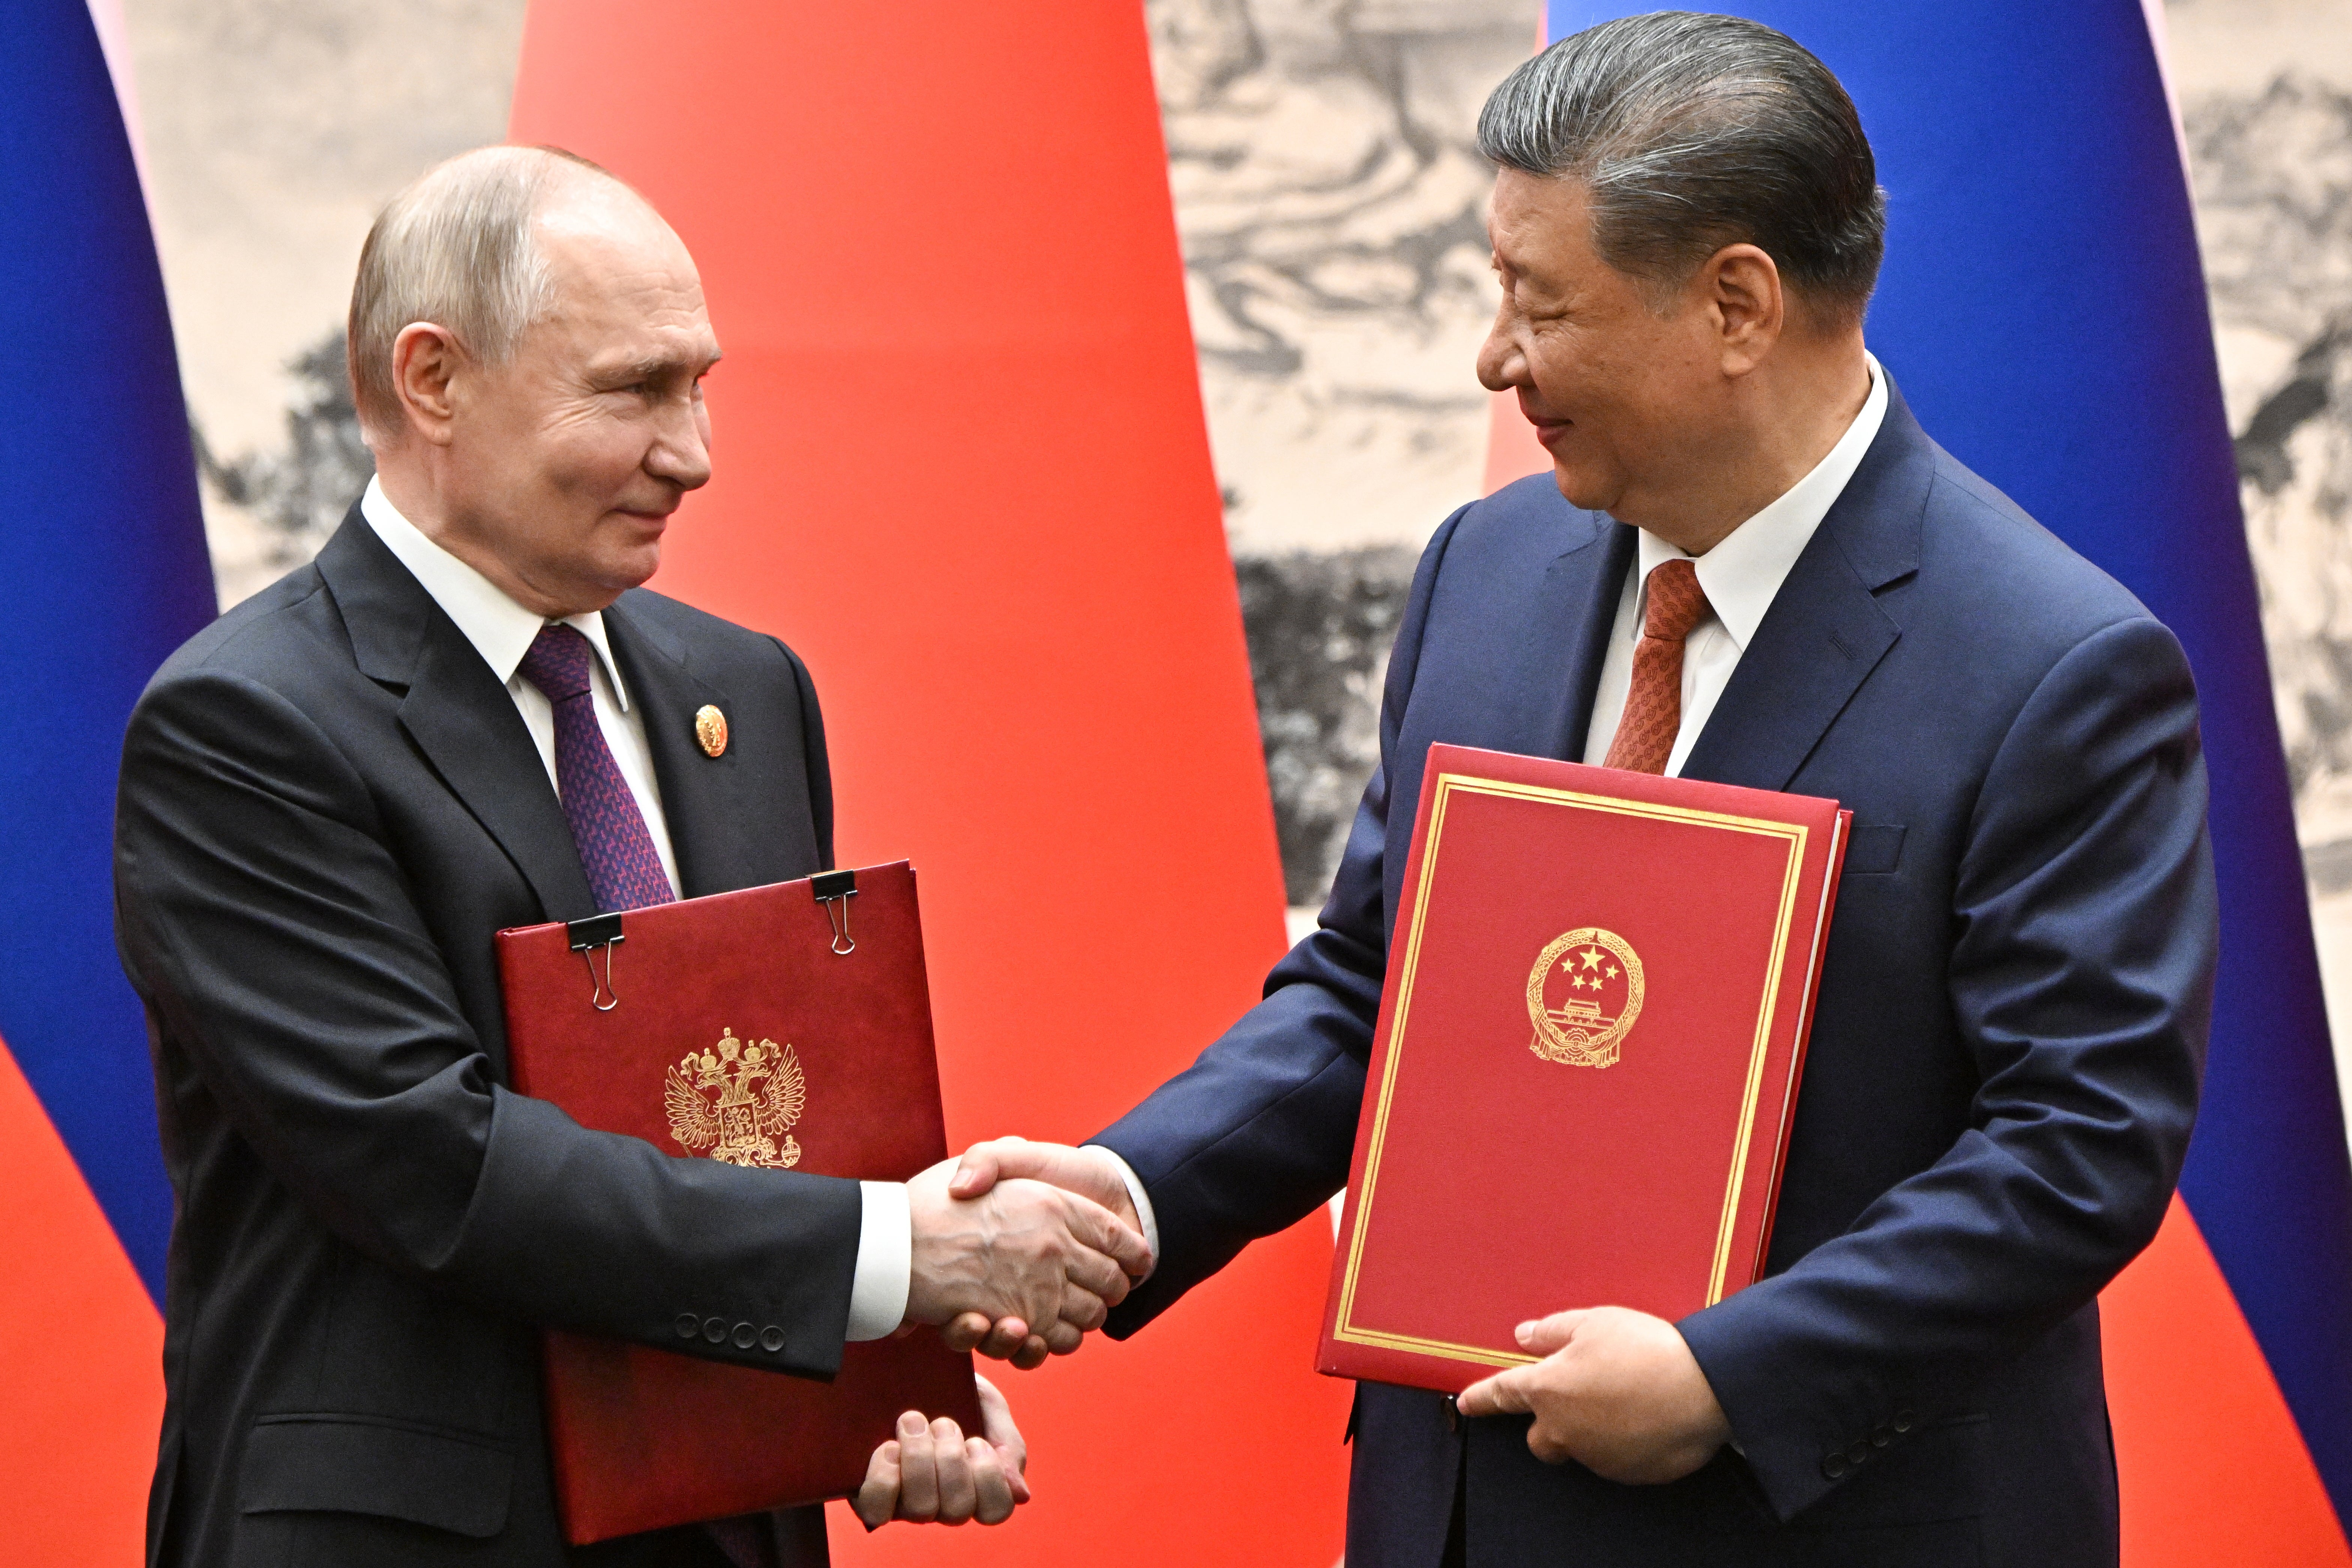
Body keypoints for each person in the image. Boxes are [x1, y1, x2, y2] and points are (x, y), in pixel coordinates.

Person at [947, 13, 2216, 1566]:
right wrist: (1134, 1190)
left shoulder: (2055, 665)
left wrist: (1721, 1374)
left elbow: (2077, 1144)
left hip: (1822, 1518)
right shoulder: (1489, 572)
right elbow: (1375, 984)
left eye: (1539, 305)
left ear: (1737, 302)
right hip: (1464, 1506)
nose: (1496, 360)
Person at [113, 145, 1148, 1568]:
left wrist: (894, 1381)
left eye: (699, 383)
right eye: (636, 389)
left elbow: (771, 1132)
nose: (696, 453)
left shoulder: (749, 690)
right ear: (433, 380)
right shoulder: (246, 725)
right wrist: (900, 1262)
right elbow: (438, 1162)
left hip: (724, 1527)